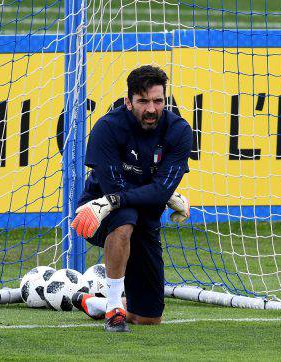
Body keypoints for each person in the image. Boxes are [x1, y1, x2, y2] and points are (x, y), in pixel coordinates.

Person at [70, 65, 193, 332]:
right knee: (125, 219)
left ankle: (96, 303)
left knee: (148, 318)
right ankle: (114, 308)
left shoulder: (179, 131)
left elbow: (156, 193)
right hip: (96, 207)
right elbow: (114, 188)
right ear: (128, 101)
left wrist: (163, 194)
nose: (151, 109)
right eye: (143, 101)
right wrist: (158, 194)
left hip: (135, 212)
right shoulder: (107, 128)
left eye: (158, 101)